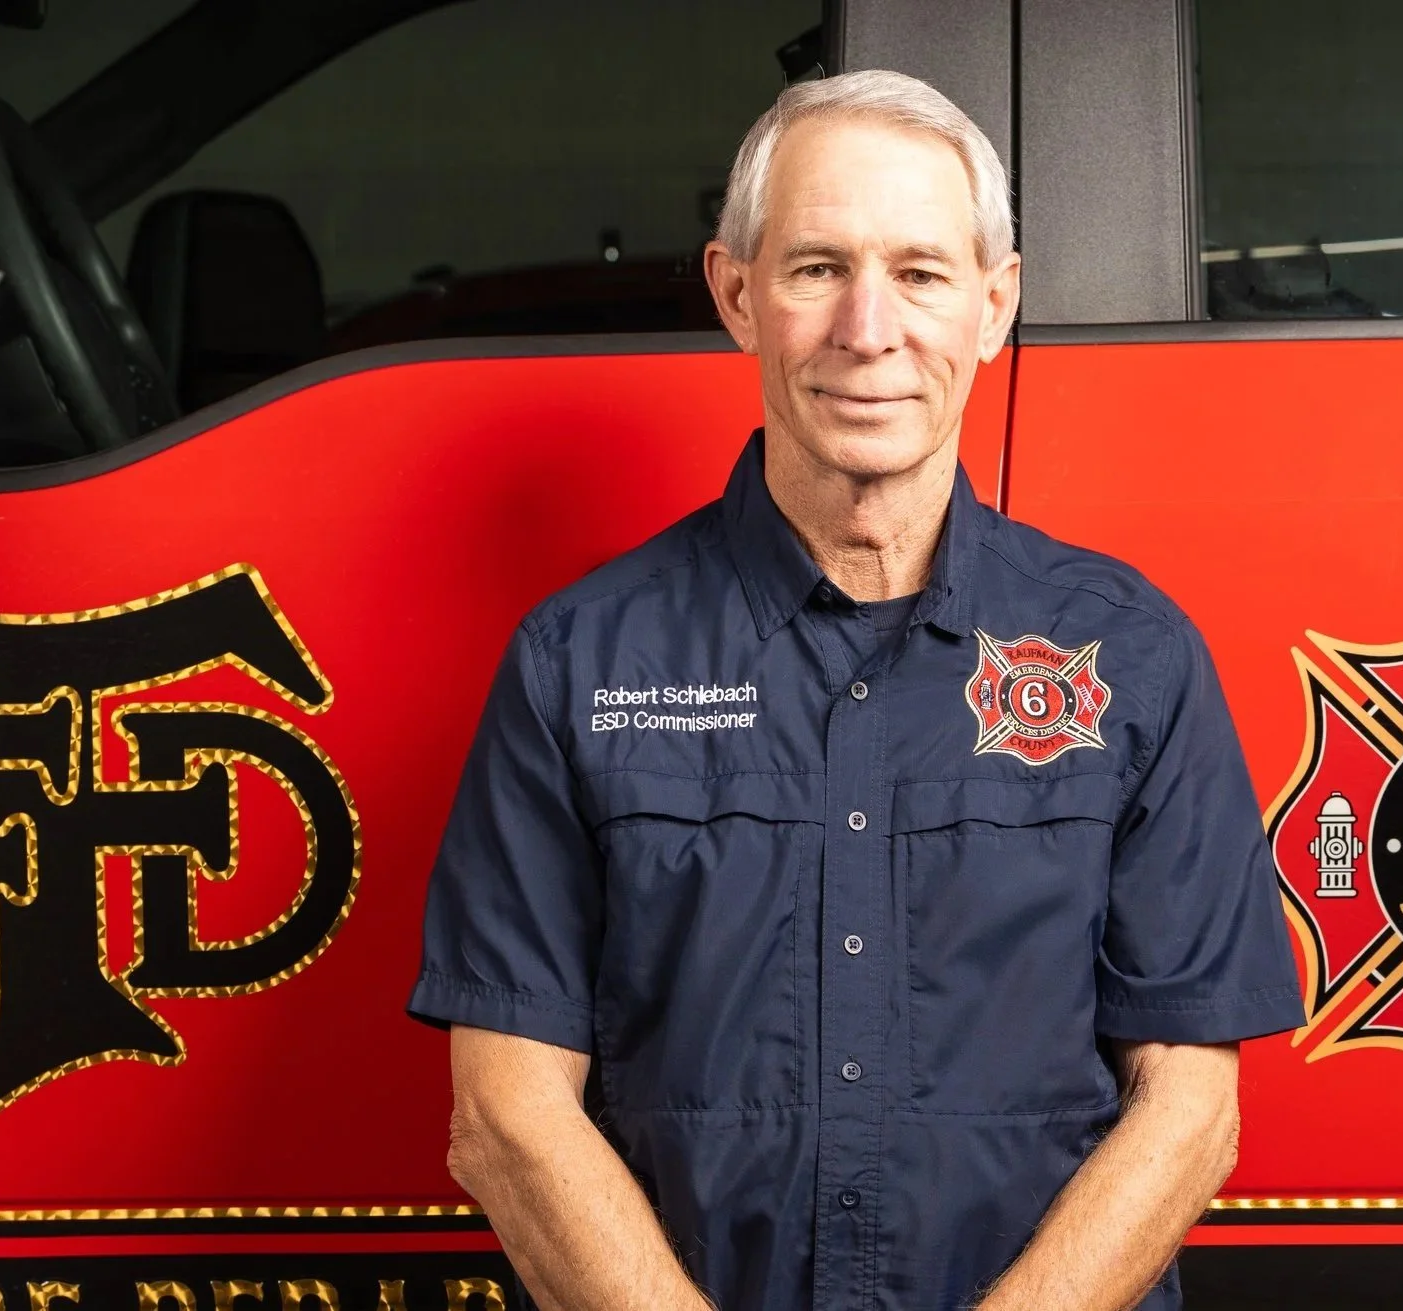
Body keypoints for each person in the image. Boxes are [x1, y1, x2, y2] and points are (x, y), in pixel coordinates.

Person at [408, 69, 1302, 1310]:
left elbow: (1190, 1106)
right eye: (816, 268)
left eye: (923, 275)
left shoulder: (1132, 656)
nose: (868, 329)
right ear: (737, 293)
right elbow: (504, 1112)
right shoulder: (581, 662)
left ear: (996, 307)